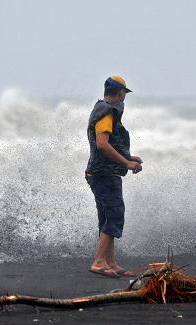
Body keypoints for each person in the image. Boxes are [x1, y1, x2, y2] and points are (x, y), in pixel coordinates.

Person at [85, 75, 143, 278]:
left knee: (107, 217)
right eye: (124, 94)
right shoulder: (107, 113)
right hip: (104, 174)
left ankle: (110, 262)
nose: (124, 97)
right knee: (115, 215)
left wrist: (128, 156)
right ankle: (99, 262)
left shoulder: (102, 109)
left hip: (100, 172)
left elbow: (108, 143)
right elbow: (102, 144)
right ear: (120, 93)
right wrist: (126, 163)